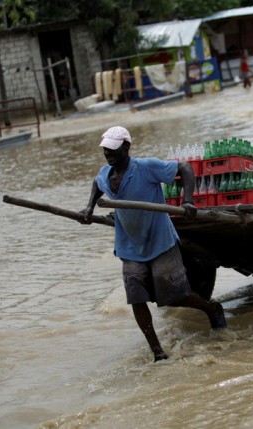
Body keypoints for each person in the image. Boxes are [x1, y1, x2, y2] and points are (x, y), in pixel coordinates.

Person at [81, 126, 227, 363]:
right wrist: (89, 207)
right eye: (106, 150)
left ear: (127, 148)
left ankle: (212, 309)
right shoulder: (106, 174)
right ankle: (157, 352)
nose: (109, 154)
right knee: (136, 297)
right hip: (129, 245)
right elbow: (97, 184)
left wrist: (188, 201)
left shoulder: (145, 167)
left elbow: (185, 168)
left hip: (160, 241)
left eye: (113, 150)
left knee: (174, 296)